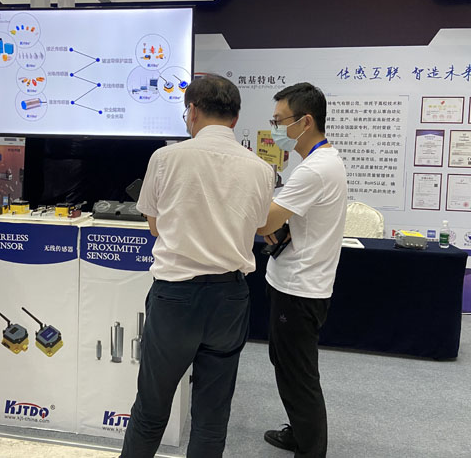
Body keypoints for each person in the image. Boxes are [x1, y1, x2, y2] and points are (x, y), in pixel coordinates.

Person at [121, 75, 275, 458]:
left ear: (191, 111)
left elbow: (154, 225)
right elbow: (259, 226)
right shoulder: (261, 168)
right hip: (230, 298)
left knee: (151, 409)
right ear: (235, 118)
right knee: (211, 417)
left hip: (175, 297)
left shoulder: (166, 158)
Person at [257, 83, 347, 458]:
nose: (275, 128)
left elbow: (265, 222)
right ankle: (299, 432)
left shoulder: (314, 170)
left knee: (299, 375)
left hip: (299, 287)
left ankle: (310, 449)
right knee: (288, 365)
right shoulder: (319, 161)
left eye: (280, 121)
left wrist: (258, 204)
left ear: (305, 121)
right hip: (298, 279)